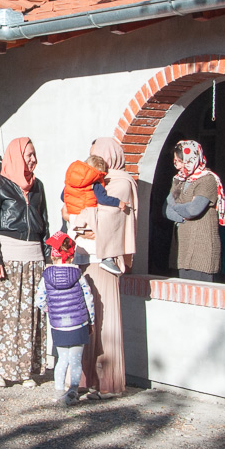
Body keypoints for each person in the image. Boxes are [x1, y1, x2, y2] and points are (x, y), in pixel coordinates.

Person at [0, 137, 49, 388]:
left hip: (34, 259)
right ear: (17, 157)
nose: (33, 159)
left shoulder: (38, 186)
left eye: (34, 154)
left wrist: (48, 258)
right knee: (3, 315)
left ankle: (25, 370)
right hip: (9, 257)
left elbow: (45, 224)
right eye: (28, 155)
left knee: (30, 316)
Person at [79, 137, 140, 398]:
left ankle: (106, 382)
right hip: (87, 259)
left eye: (98, 155)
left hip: (105, 261)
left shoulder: (121, 183)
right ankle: (86, 379)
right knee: (87, 320)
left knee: (104, 323)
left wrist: (80, 217)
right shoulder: (97, 181)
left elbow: (108, 219)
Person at [36, 232, 95, 406]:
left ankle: (58, 391)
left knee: (62, 359)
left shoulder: (46, 276)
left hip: (58, 324)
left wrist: (51, 310)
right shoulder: (78, 275)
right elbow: (88, 299)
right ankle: (73, 391)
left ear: (53, 255)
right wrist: (91, 320)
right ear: (71, 255)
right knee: (76, 360)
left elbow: (39, 300)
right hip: (78, 323)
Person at [166, 139, 225, 283]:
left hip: (202, 247)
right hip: (183, 247)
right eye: (175, 161)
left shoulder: (207, 180)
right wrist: (181, 213)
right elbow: (167, 210)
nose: (177, 165)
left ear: (191, 159)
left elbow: (193, 210)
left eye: (180, 161)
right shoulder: (179, 180)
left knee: (201, 291)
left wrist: (176, 206)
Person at [63, 154, 130, 275]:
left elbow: (63, 196)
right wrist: (118, 203)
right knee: (106, 232)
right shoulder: (95, 182)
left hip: (73, 215)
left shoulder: (70, 181)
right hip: (87, 215)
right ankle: (107, 259)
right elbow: (102, 199)